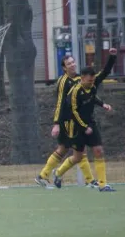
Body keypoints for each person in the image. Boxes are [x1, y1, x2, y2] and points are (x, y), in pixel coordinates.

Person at [34, 54, 110, 188]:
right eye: (69, 64)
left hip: (76, 120)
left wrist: (102, 104)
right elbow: (60, 103)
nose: (73, 65)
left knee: (69, 149)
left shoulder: (79, 79)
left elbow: (90, 95)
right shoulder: (64, 82)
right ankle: (88, 180)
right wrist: (57, 123)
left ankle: (45, 175)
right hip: (68, 121)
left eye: (73, 62)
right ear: (64, 68)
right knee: (71, 149)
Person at [53, 53, 117, 192]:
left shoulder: (93, 84)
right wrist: (83, 126)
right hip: (76, 127)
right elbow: (74, 112)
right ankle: (58, 173)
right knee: (77, 157)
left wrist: (112, 57)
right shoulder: (74, 92)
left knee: (98, 151)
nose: (91, 83)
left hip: (90, 124)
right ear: (82, 79)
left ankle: (103, 184)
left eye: (93, 81)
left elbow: (104, 73)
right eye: (89, 81)